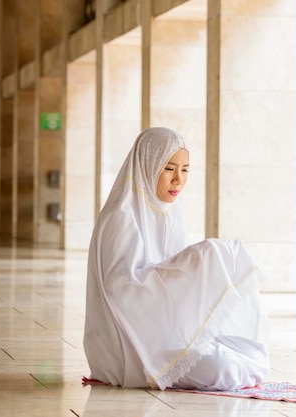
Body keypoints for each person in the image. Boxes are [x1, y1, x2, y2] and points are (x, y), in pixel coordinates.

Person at [83, 127, 269, 391]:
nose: (178, 180)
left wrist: (195, 268)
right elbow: (120, 291)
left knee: (250, 355)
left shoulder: (169, 214)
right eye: (169, 169)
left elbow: (173, 279)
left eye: (185, 170)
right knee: (225, 369)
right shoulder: (121, 217)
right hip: (128, 345)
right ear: (147, 165)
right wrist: (195, 263)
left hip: (164, 330)